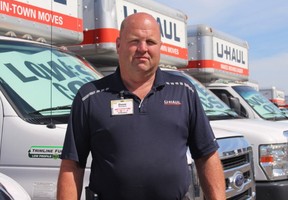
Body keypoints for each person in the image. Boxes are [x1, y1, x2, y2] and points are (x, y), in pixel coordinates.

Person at [57, 12, 226, 200]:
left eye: (151, 42)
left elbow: (206, 156)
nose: (143, 48)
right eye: (134, 41)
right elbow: (72, 166)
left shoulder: (183, 91)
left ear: (160, 47)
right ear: (119, 45)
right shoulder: (89, 97)